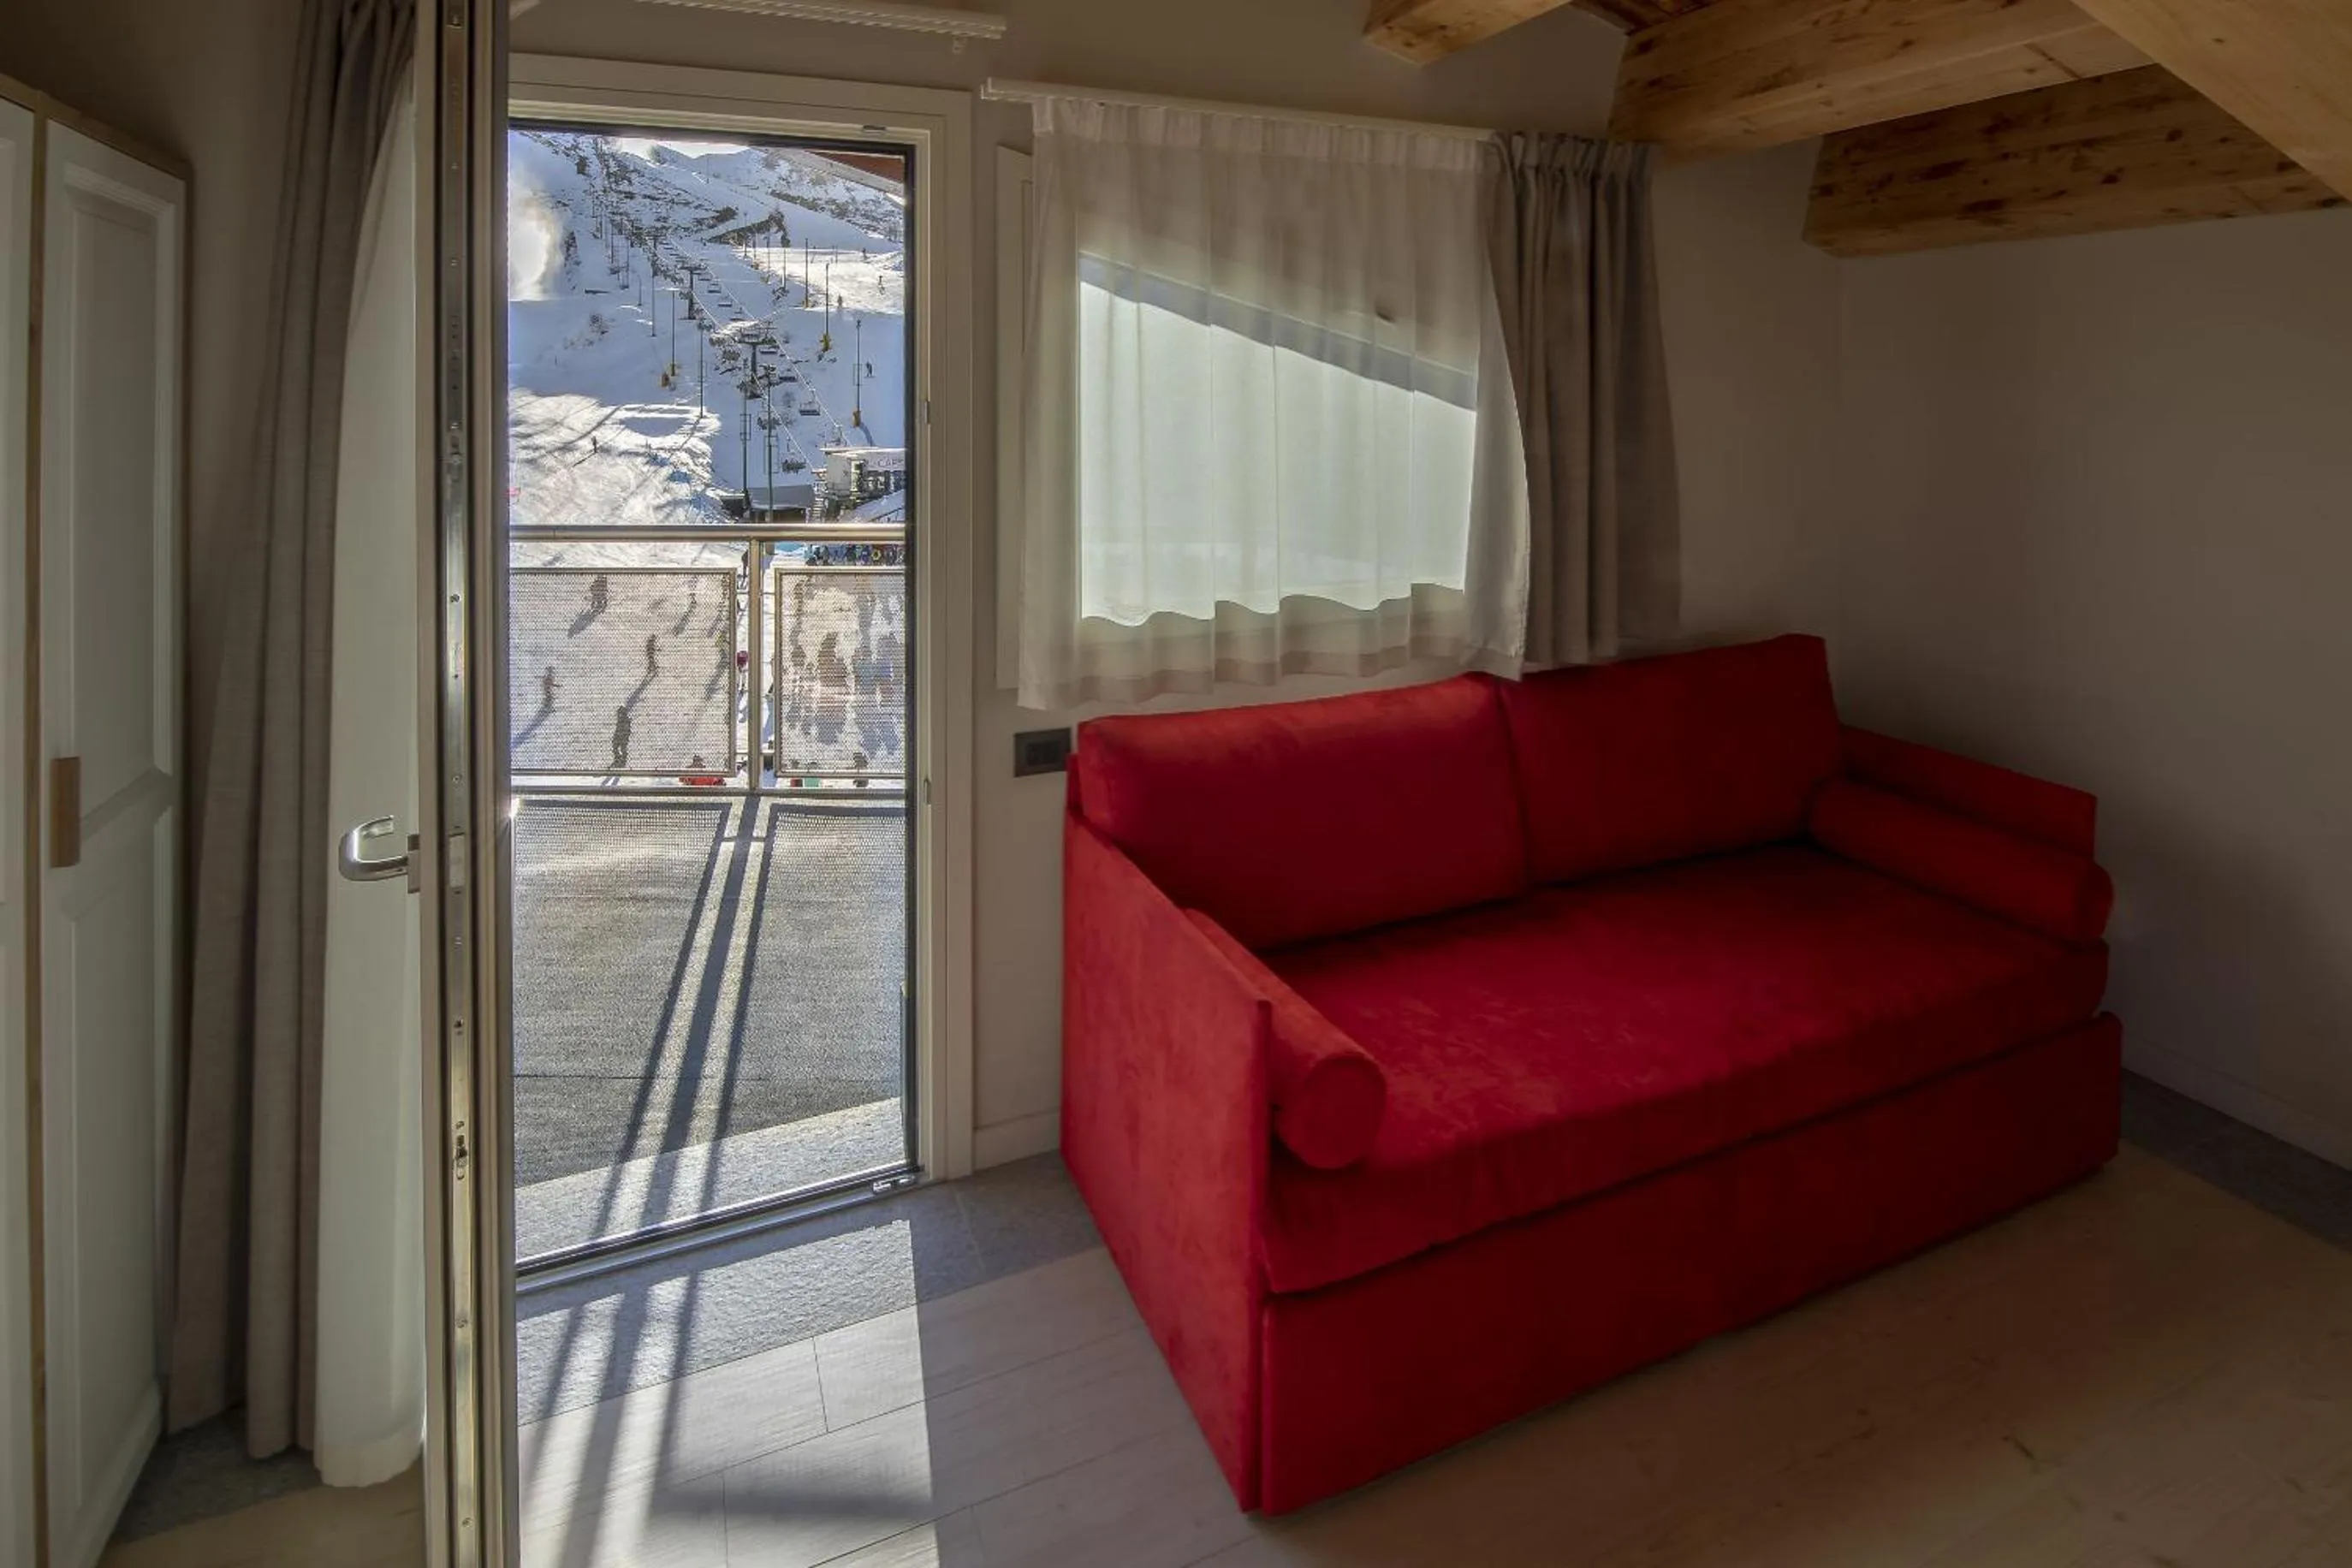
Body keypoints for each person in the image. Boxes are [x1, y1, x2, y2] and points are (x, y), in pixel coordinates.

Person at [611, 706, 633, 771]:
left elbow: (627, 730)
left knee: (623, 749)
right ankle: (617, 759)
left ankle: (623, 760)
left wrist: (624, 735)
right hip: (618, 736)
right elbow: (617, 729)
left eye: (620, 713)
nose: (619, 714)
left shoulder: (626, 720)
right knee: (615, 747)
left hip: (623, 736)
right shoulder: (620, 719)